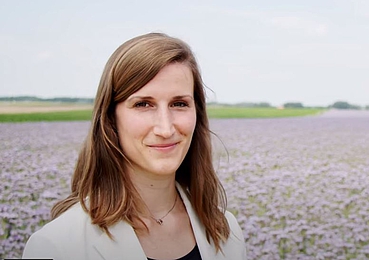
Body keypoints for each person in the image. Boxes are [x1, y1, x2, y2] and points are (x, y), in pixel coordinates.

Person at [23, 33, 247, 260]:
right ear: (110, 118)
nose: (165, 128)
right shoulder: (56, 246)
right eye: (143, 104)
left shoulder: (227, 231)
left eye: (179, 104)